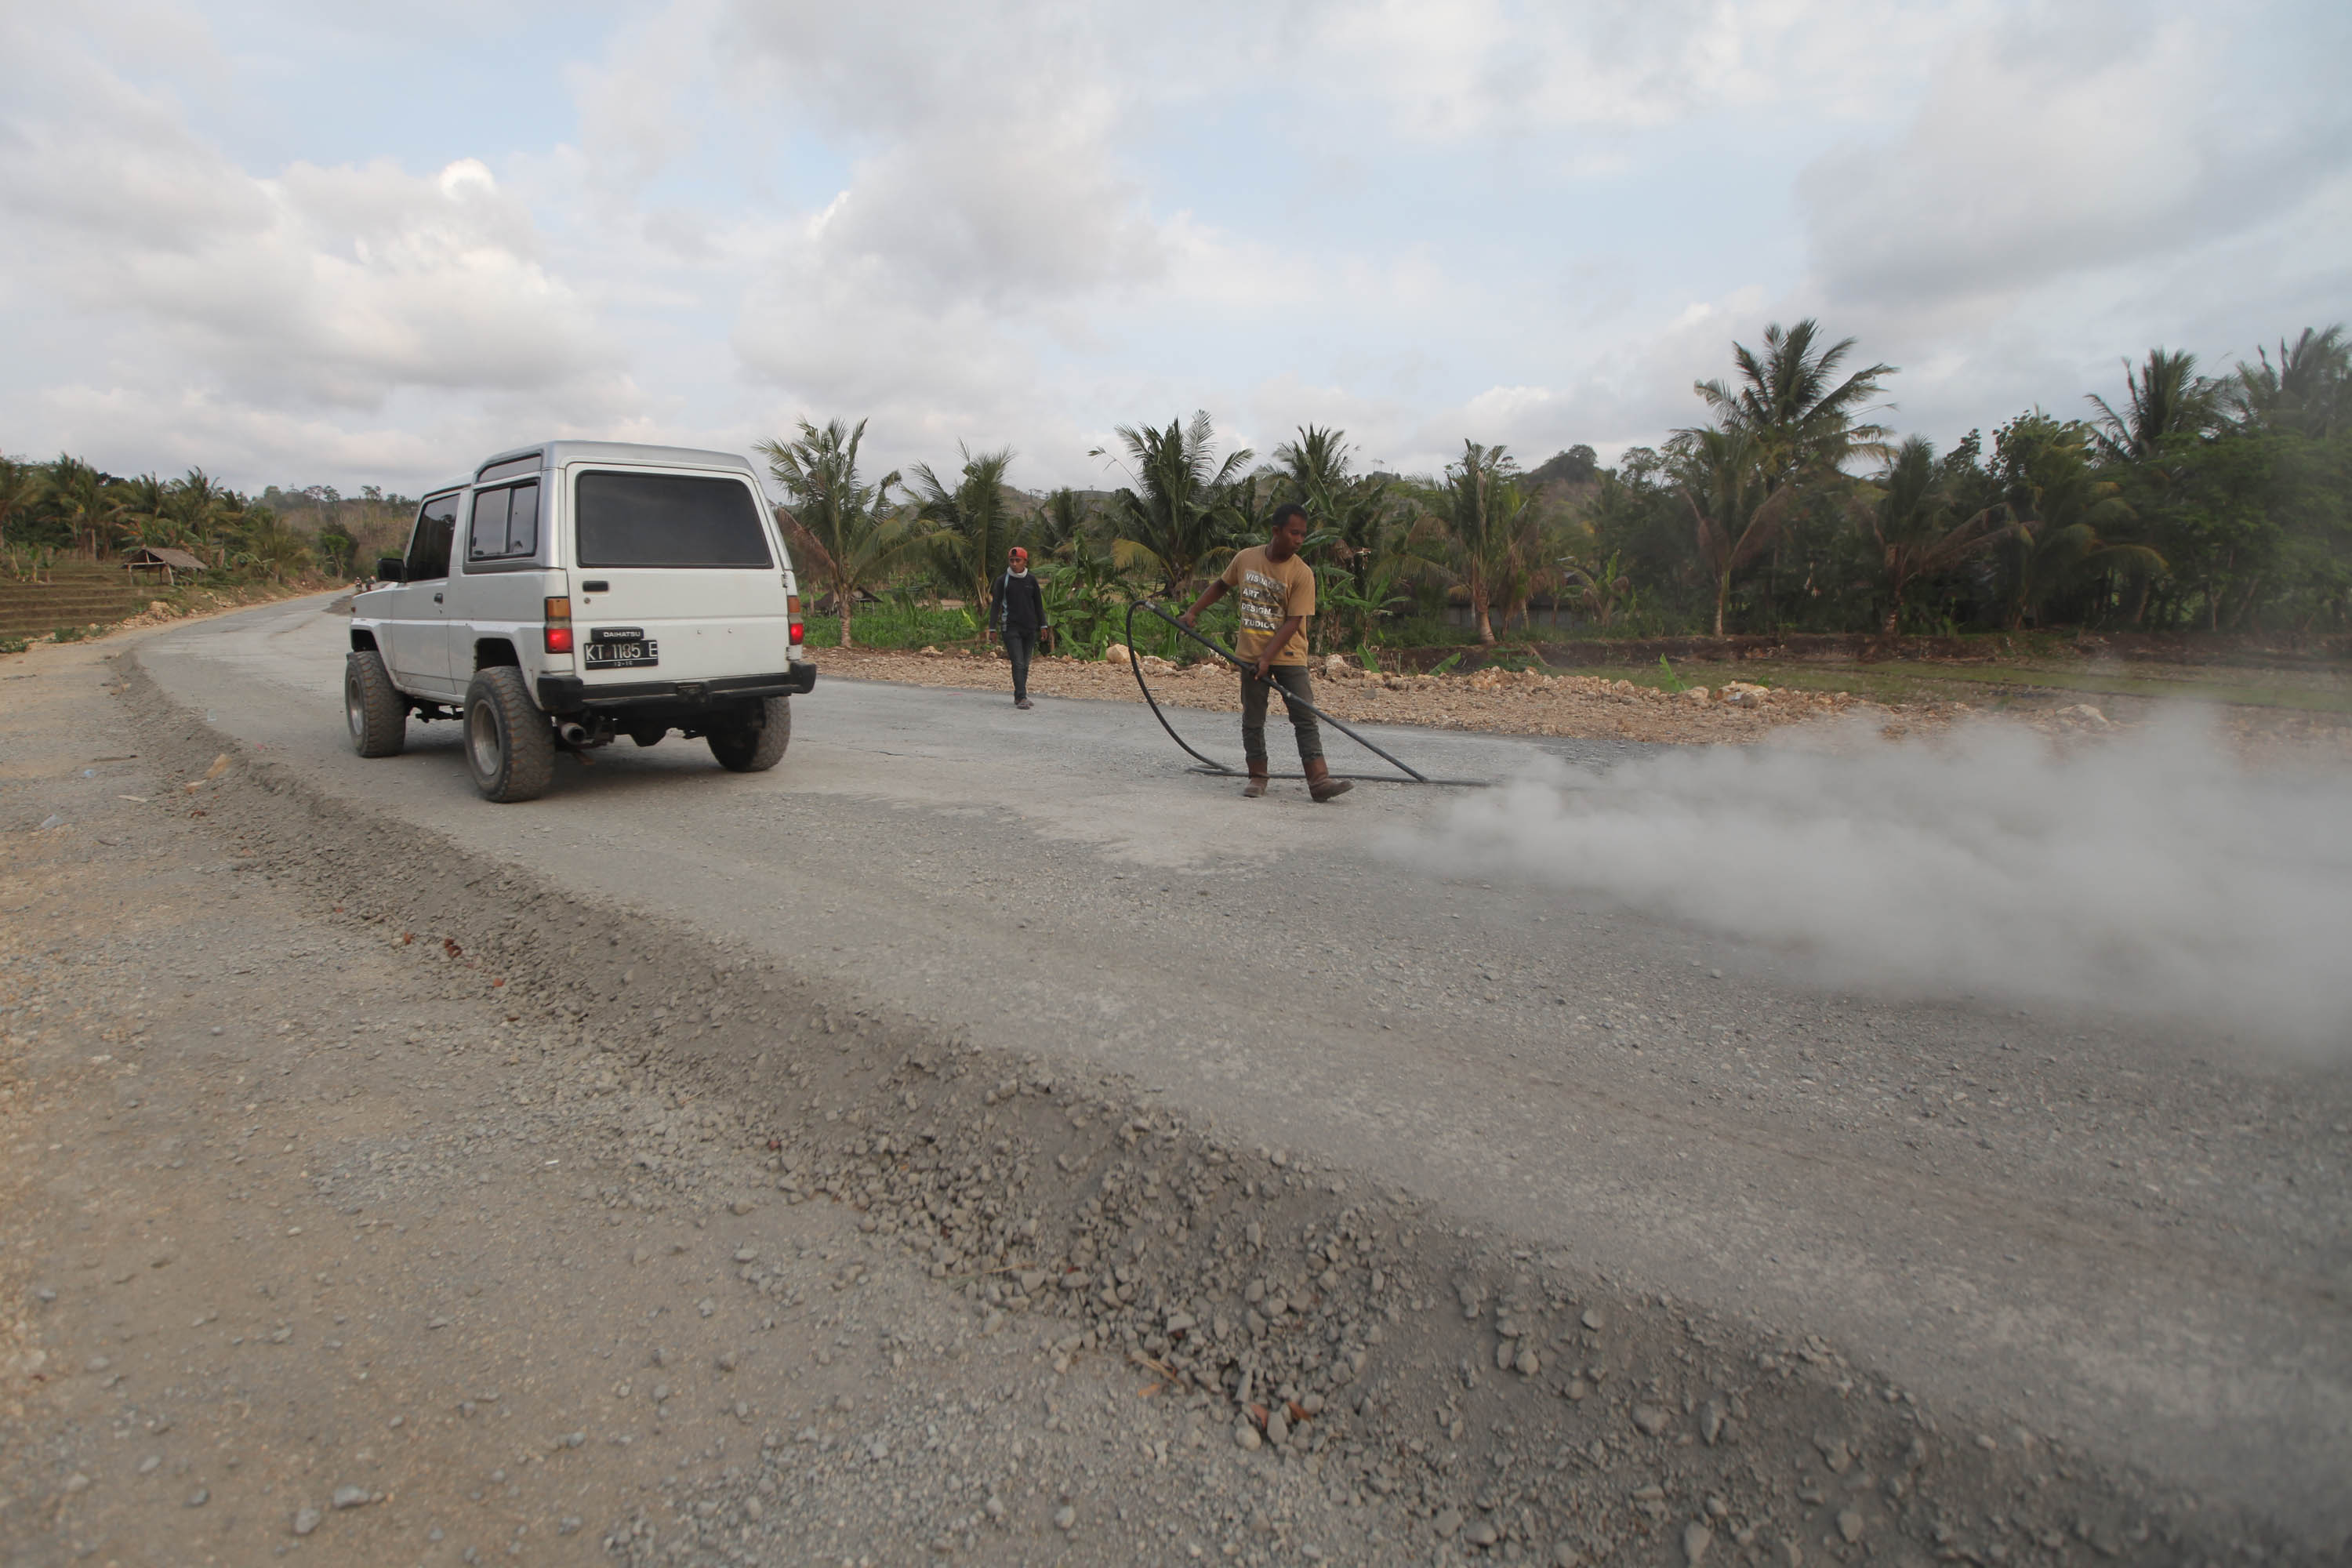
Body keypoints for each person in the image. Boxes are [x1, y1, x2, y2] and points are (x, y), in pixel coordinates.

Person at [1181, 503, 1350, 801]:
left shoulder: (1302, 573)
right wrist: (1193, 611)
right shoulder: (1246, 559)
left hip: (1289, 657)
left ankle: (1319, 782)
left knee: (1304, 717)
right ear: (1276, 531)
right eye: (1294, 533)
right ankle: (1257, 777)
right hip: (1249, 654)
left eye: (1303, 535)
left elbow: (1294, 621)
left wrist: (1268, 658)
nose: (1299, 540)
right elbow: (1221, 586)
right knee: (1253, 719)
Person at [992, 546, 1048, 710]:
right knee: (1018, 662)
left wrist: (1043, 625)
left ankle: (1019, 696)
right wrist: (992, 629)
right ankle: (1022, 696)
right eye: (1012, 560)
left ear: (1025, 561)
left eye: (1018, 560)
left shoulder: (1031, 580)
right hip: (1011, 628)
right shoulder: (1003, 581)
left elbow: (1038, 605)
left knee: (1026, 663)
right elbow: (995, 605)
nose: (1015, 564)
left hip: (1030, 629)